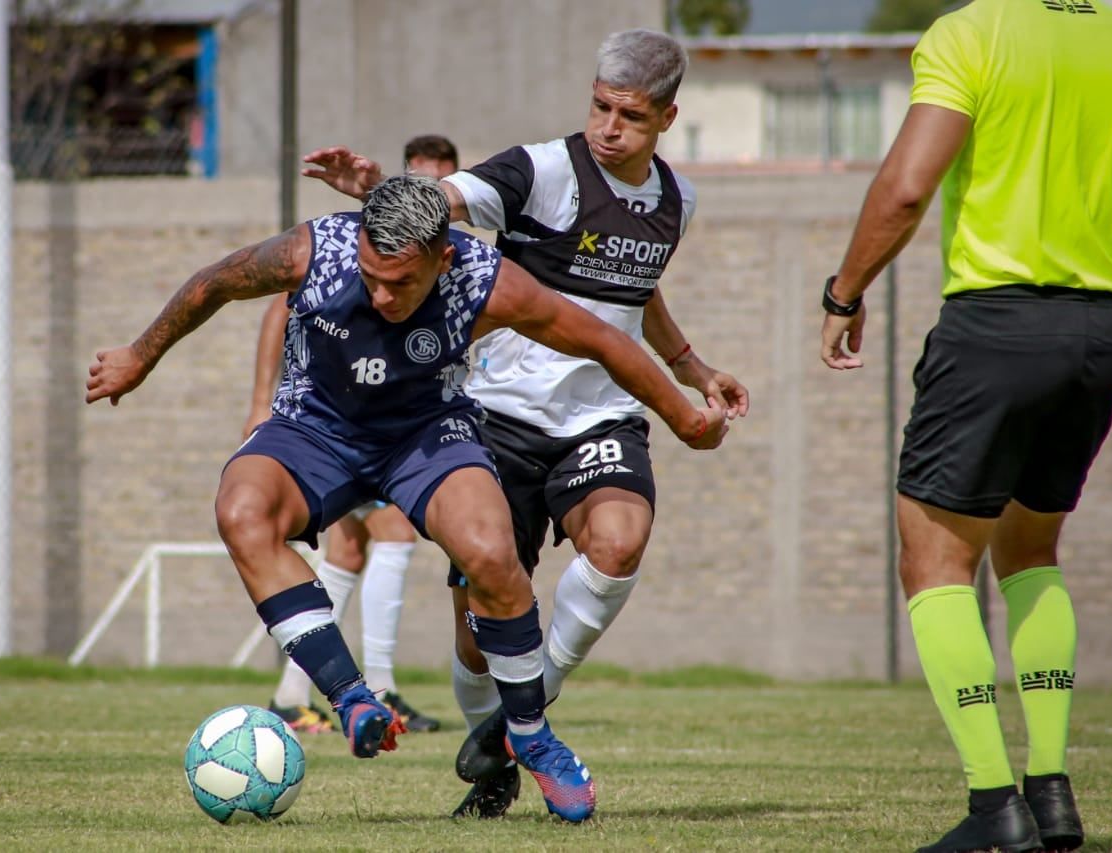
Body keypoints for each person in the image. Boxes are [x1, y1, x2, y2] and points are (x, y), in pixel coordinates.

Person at [86, 175, 728, 823]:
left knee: (492, 550)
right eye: (372, 275)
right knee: (241, 511)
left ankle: (531, 734)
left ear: (442, 257)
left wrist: (683, 414)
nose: (382, 293)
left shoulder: (485, 280)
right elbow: (214, 282)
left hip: (428, 434)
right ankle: (352, 698)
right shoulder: (315, 253)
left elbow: (604, 339)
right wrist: (139, 356)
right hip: (316, 425)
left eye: (402, 281)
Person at [301, 28, 749, 818]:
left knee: (619, 541)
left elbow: (636, 298)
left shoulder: (678, 201)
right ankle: (500, 759)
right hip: (494, 420)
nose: (610, 127)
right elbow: (442, 203)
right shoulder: (541, 169)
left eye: (631, 117)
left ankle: (525, 711)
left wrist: (695, 371)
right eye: (601, 107)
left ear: (668, 119)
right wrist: (379, 188)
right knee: (480, 625)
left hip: (601, 415)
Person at [818, 2, 1112, 851]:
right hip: (1101, 331)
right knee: (1031, 550)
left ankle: (995, 807)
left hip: (997, 324)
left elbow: (909, 183)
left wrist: (844, 290)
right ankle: (1052, 791)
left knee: (935, 561)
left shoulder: (972, 32)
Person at [242, 136, 462, 734]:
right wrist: (262, 405)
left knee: (348, 550)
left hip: (392, 417)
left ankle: (293, 694)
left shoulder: (446, 257)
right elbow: (279, 310)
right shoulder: (356, 247)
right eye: (419, 179)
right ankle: (380, 687)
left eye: (443, 183)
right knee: (391, 531)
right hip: (335, 422)